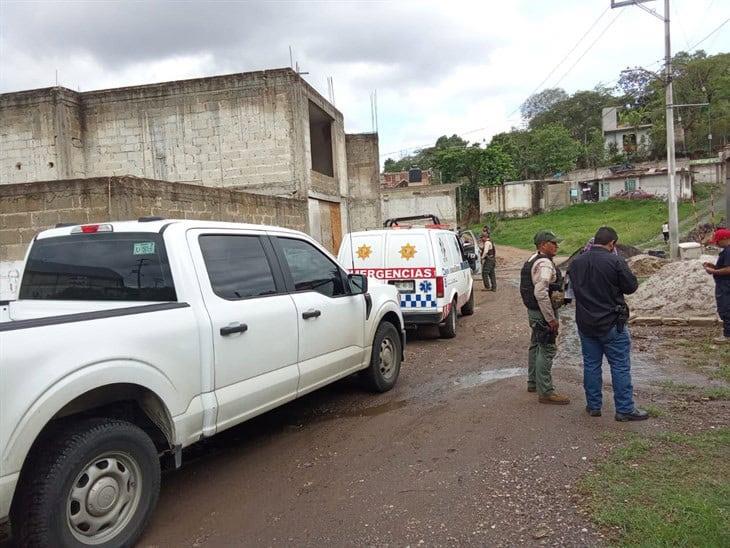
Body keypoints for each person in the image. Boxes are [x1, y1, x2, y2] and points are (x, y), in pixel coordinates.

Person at [570, 226, 647, 421]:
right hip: (612, 323)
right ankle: (624, 409)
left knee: (591, 365)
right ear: (612, 243)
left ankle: (593, 406)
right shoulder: (615, 261)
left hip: (586, 323)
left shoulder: (576, 262)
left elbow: (570, 292)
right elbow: (631, 287)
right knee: (620, 366)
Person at [519, 230, 570, 404]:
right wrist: (551, 318)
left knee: (535, 345)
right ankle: (546, 392)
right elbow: (540, 292)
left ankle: (533, 382)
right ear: (542, 245)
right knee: (547, 348)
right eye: (553, 243)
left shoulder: (532, 259)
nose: (557, 246)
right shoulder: (545, 264)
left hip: (533, 311)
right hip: (542, 312)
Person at [703, 227, 730, 344]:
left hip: (726, 285)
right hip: (724, 284)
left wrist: (712, 271)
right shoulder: (726, 251)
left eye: (718, 241)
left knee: (726, 309)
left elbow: (729, 269)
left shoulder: (728, 251)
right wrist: (714, 266)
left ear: (724, 238)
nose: (717, 244)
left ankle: (728, 336)